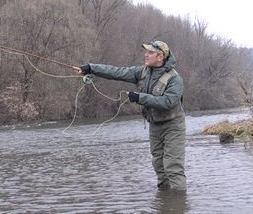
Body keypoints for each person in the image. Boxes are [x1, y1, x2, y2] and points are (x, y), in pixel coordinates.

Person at [76, 40, 186, 191]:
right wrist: (91, 68)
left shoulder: (175, 79)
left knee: (173, 167)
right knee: (159, 167)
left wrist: (140, 97)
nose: (145, 55)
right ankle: (165, 203)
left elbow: (168, 102)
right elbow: (116, 72)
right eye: (146, 52)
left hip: (173, 125)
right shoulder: (142, 72)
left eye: (150, 52)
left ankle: (178, 203)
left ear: (160, 57)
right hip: (155, 124)